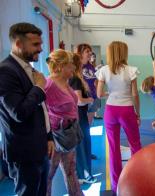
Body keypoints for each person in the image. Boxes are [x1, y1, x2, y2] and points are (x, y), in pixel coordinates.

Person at [0, 22, 54, 195]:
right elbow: (19, 112)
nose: (40, 49)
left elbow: (40, 108)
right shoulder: (6, 71)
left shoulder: (27, 69)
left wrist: (48, 136)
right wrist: (39, 88)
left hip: (39, 147)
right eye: (35, 44)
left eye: (40, 43)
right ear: (18, 44)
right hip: (24, 152)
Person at [96, 41, 142, 192]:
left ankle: (116, 186)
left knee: (113, 148)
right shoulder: (131, 70)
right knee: (135, 144)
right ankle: (137, 179)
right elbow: (135, 94)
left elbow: (99, 94)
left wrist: (111, 93)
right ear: (124, 53)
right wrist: (138, 113)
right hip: (127, 109)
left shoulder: (104, 70)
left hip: (110, 111)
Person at [45, 49, 83, 196]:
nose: (73, 68)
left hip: (68, 136)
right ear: (61, 67)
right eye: (70, 65)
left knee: (70, 171)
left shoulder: (66, 83)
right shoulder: (49, 86)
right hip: (55, 138)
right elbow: (39, 112)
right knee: (48, 175)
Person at [69, 53, 97, 184]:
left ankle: (81, 174)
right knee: (82, 145)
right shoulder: (75, 79)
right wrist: (90, 99)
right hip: (79, 115)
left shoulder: (76, 78)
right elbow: (79, 101)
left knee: (83, 144)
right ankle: (84, 175)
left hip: (81, 115)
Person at [75, 43, 98, 160]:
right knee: (81, 128)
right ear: (80, 53)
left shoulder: (90, 66)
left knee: (88, 127)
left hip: (92, 99)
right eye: (87, 51)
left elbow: (94, 82)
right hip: (82, 101)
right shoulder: (77, 67)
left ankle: (87, 152)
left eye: (90, 51)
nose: (90, 53)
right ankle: (82, 153)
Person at [90, 52, 103, 119]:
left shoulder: (93, 65)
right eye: (92, 56)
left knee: (97, 99)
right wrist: (96, 69)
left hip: (96, 84)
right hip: (90, 86)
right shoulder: (87, 66)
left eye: (94, 56)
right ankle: (92, 114)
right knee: (92, 100)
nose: (93, 58)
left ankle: (95, 114)